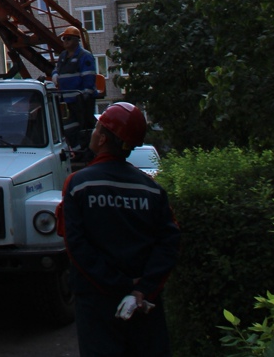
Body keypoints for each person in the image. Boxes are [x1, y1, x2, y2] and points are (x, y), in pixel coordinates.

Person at [59, 103, 181, 357]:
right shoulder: (152, 190)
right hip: (143, 304)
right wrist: (141, 289)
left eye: (96, 127)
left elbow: (76, 246)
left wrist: (117, 284)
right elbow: (169, 243)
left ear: (102, 138)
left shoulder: (78, 185)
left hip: (96, 303)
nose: (92, 132)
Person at [53, 26, 98, 147]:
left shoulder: (84, 56)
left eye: (68, 38)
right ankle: (75, 148)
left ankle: (85, 149)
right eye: (64, 38)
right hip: (66, 99)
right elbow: (57, 69)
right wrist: (55, 74)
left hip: (80, 100)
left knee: (83, 126)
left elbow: (89, 76)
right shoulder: (63, 56)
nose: (65, 41)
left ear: (76, 40)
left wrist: (85, 95)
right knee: (68, 125)